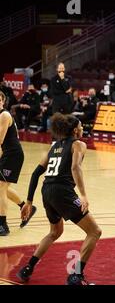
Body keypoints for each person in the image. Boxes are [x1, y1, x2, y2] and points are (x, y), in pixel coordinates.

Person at [17, 113, 102, 285]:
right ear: (74, 130)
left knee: (55, 232)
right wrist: (84, 195)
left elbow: (35, 174)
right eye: (80, 126)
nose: (82, 128)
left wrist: (29, 201)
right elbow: (75, 167)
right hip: (63, 193)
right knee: (94, 232)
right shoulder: (78, 144)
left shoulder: (54, 146)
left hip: (47, 191)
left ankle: (28, 268)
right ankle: (76, 275)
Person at [0, 92, 36, 236]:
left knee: (1, 187)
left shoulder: (4, 115)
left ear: (3, 101)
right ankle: (26, 207)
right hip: (7, 154)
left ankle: (3, 225)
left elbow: (0, 141)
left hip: (11, 155)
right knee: (3, 187)